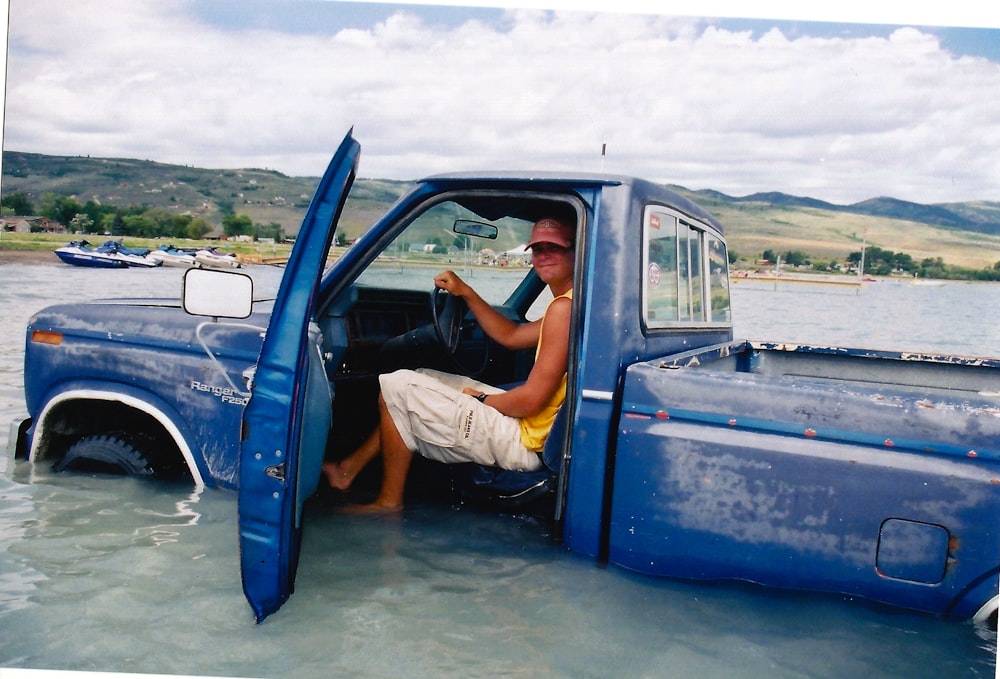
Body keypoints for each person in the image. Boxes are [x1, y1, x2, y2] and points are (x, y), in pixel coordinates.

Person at [322, 216, 576, 513]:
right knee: (419, 377)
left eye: (553, 248)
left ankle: (387, 503)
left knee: (397, 385)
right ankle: (348, 469)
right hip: (537, 430)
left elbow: (531, 401)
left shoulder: (563, 310)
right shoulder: (573, 304)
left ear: (575, 253)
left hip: (526, 440)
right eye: (537, 248)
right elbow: (512, 335)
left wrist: (483, 399)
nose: (543, 255)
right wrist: (466, 292)